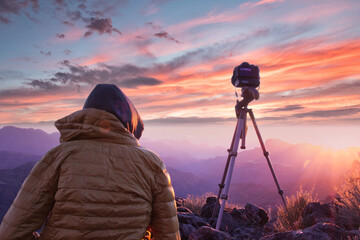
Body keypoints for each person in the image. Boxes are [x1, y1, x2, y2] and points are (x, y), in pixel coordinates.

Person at [0, 84, 180, 240]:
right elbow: (168, 235)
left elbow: (11, 233)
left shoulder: (59, 156)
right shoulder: (152, 164)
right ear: (130, 121)